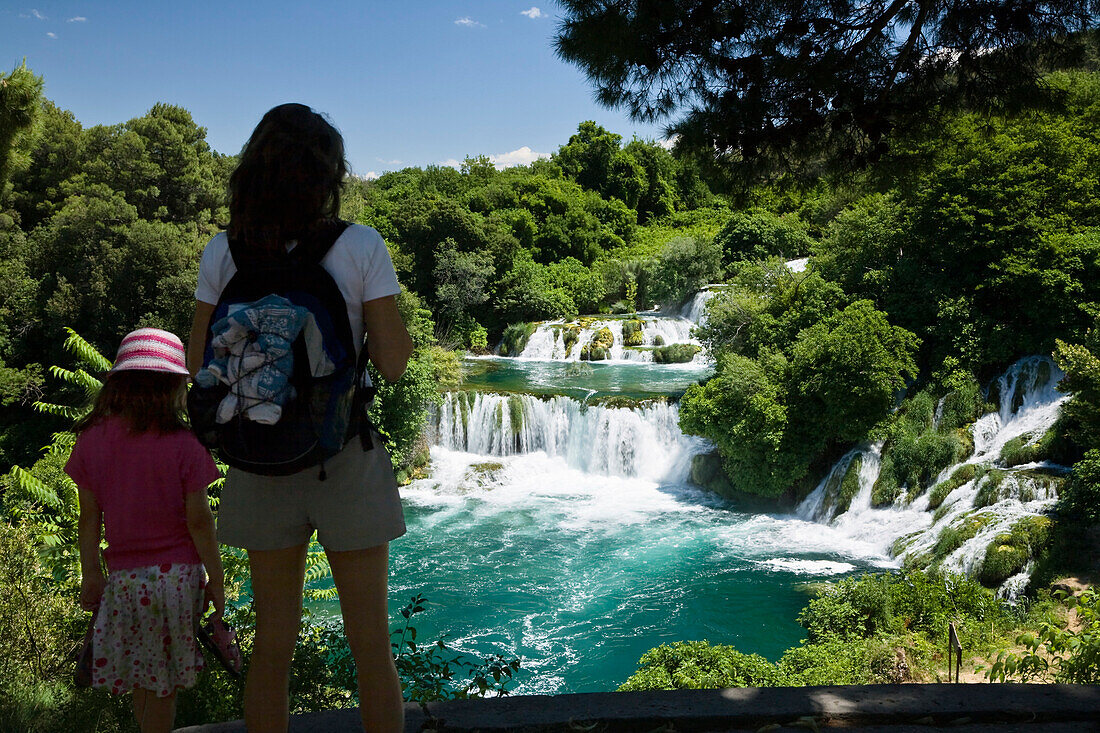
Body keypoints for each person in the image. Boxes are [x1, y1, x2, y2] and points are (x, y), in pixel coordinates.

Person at [187, 103, 413, 733]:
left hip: (258, 458)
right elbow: (393, 363)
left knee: (272, 648)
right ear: (328, 173)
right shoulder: (360, 245)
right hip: (343, 455)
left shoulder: (221, 253)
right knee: (371, 647)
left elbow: (192, 357)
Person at [68, 328, 224, 733]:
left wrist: (90, 574)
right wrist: (218, 577)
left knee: (142, 678)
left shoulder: (91, 441)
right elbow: (199, 521)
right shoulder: (185, 444)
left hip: (123, 582)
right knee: (164, 686)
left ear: (118, 382)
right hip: (175, 581)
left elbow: (90, 519)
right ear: (174, 386)